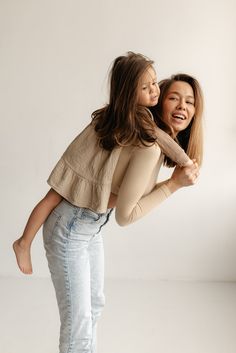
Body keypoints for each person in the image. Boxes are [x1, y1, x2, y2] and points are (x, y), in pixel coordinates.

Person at [13, 52, 202, 353]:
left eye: (190, 102)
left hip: (89, 224)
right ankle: (23, 242)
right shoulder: (146, 142)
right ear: (155, 99)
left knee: (94, 305)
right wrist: (173, 185)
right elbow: (126, 216)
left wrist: (182, 163)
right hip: (71, 226)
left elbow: (162, 148)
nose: (181, 107)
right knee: (79, 324)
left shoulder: (143, 130)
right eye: (172, 97)